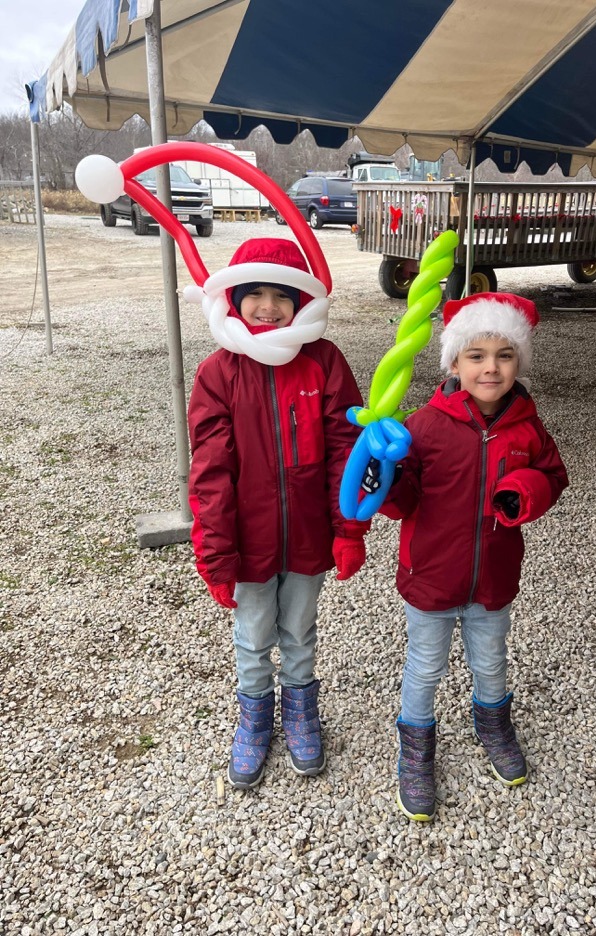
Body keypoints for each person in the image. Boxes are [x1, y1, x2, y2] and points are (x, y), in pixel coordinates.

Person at [377, 292, 569, 821]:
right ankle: (415, 747)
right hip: (432, 577)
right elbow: (402, 499)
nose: (490, 367)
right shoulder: (424, 427)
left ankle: (493, 724)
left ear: (519, 363)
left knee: (490, 661)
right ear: (454, 362)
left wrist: (524, 490)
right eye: (476, 355)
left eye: (504, 355)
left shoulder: (528, 428)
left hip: (493, 578)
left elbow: (554, 477)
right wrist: (384, 481)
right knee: (425, 667)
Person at [188, 237, 369, 790]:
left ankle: (299, 708)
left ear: (300, 302)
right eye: (256, 294)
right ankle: (255, 714)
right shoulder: (218, 373)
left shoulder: (325, 361)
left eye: (280, 295)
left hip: (311, 536)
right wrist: (217, 556)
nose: (268, 307)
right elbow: (211, 472)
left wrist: (349, 529)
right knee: (252, 630)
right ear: (234, 300)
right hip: (248, 541)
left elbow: (347, 447)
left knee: (299, 627)